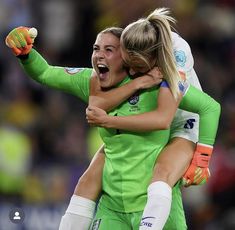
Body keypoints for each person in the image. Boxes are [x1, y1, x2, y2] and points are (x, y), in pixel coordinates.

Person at [5, 18, 220, 230]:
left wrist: (202, 156)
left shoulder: (158, 80)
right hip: (115, 205)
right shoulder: (91, 81)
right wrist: (26, 54)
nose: (99, 54)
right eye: (96, 48)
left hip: (154, 201)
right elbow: (45, 73)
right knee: (86, 182)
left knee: (161, 172)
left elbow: (174, 116)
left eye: (109, 50)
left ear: (126, 57)